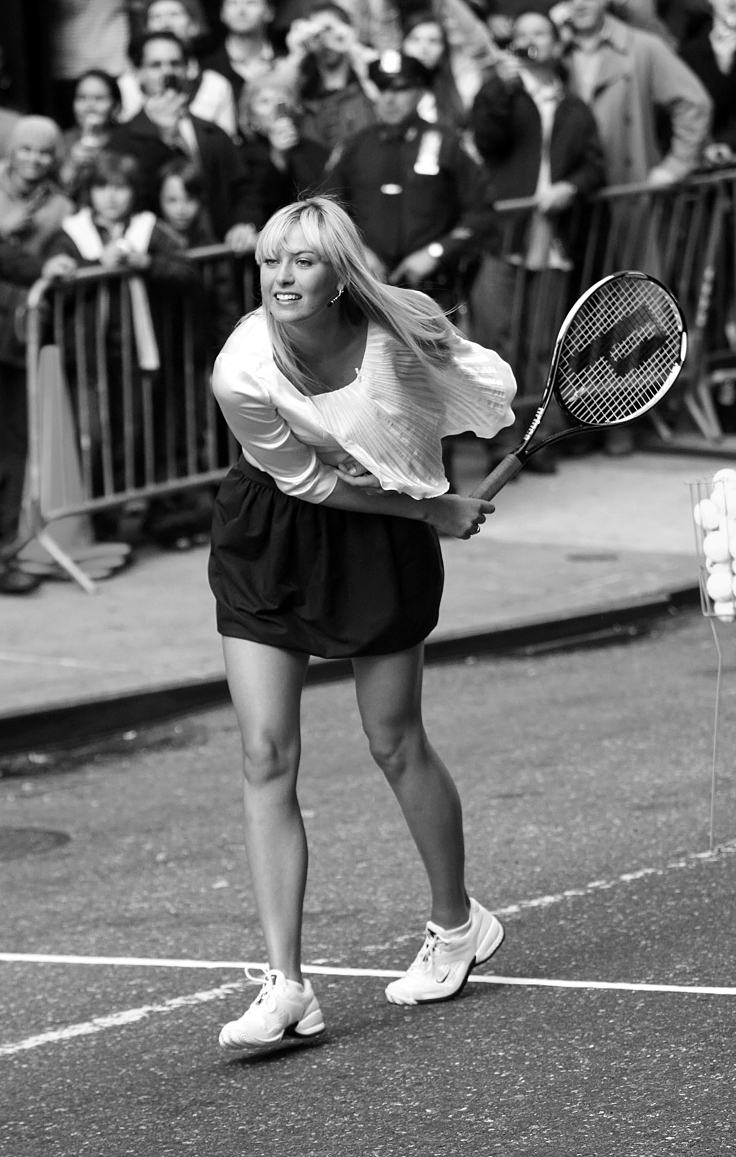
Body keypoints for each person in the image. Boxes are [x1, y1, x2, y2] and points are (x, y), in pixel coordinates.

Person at [208, 196, 516, 1053]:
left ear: (340, 272)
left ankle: (458, 926)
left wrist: (438, 492)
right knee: (265, 751)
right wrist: (432, 512)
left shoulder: (400, 336)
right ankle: (288, 985)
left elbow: (489, 389)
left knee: (394, 739)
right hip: (273, 531)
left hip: (381, 541)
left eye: (303, 262)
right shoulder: (241, 370)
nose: (281, 277)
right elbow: (305, 484)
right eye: (271, 261)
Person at [470, 8, 605, 472]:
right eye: (522, 33)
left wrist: (570, 187)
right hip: (505, 232)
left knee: (542, 341)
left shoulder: (574, 105)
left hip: (553, 237)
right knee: (495, 338)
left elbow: (594, 165)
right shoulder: (498, 91)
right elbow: (487, 141)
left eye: (540, 33)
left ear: (556, 43)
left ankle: (536, 438)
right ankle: (495, 441)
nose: (531, 41)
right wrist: (504, 89)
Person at [0, 117, 77, 594]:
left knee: (11, 449)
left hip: (15, 338)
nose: (34, 158)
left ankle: (6, 553)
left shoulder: (61, 207)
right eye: (25, 149)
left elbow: (66, 255)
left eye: (44, 152)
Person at [108, 31, 263, 251]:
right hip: (158, 262)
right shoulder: (122, 139)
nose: (167, 71)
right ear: (137, 73)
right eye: (155, 65)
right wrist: (164, 140)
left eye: (175, 63)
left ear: (188, 69)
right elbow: (131, 200)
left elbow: (244, 189)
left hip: (217, 256)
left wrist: (243, 224)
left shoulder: (212, 132)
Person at [118, 0, 240, 139]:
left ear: (194, 24)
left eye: (174, 14)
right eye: (156, 16)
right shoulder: (125, 85)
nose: (165, 23)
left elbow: (227, 143)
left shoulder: (215, 85)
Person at [237, 72, 329, 222]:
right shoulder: (244, 156)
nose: (274, 107)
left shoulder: (314, 150)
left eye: (280, 99)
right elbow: (257, 204)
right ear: (251, 115)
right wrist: (278, 156)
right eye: (264, 101)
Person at [288, 3, 378, 150]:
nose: (325, 41)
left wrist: (351, 44)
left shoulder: (367, 77)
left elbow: (386, 92)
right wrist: (296, 55)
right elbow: (264, 95)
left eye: (330, 30)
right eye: (317, 34)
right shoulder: (300, 86)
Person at [59, 70, 123, 200]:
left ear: (116, 106)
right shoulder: (61, 142)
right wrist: (72, 166)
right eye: (82, 98)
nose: (89, 106)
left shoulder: (128, 141)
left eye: (99, 99)